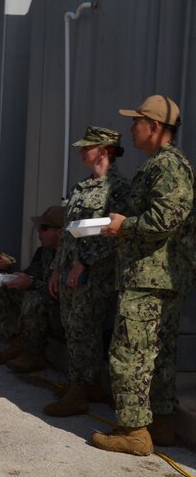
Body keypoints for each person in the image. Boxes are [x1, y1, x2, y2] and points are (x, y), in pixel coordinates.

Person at [95, 95, 193, 455]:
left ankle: (134, 431)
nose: (131, 128)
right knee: (159, 353)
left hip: (150, 277)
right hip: (157, 276)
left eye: (137, 121)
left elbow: (167, 219)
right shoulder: (161, 165)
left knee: (129, 351)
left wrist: (124, 226)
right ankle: (162, 423)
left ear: (154, 127)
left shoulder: (168, 166)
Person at [44, 126, 130, 417]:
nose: (81, 152)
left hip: (95, 274)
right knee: (74, 328)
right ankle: (86, 384)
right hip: (70, 269)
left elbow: (111, 234)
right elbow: (68, 234)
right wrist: (57, 267)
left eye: (86, 147)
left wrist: (84, 264)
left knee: (83, 329)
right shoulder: (83, 187)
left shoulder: (117, 189)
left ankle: (78, 392)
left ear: (103, 151)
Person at [0, 206, 64, 373]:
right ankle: (17, 343)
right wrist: (9, 270)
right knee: (0, 290)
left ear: (60, 232)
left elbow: (63, 293)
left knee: (34, 299)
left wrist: (32, 283)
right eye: (39, 227)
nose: (39, 232)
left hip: (63, 314)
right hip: (44, 306)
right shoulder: (44, 252)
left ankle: (34, 355)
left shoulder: (71, 257)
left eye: (44, 228)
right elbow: (29, 276)